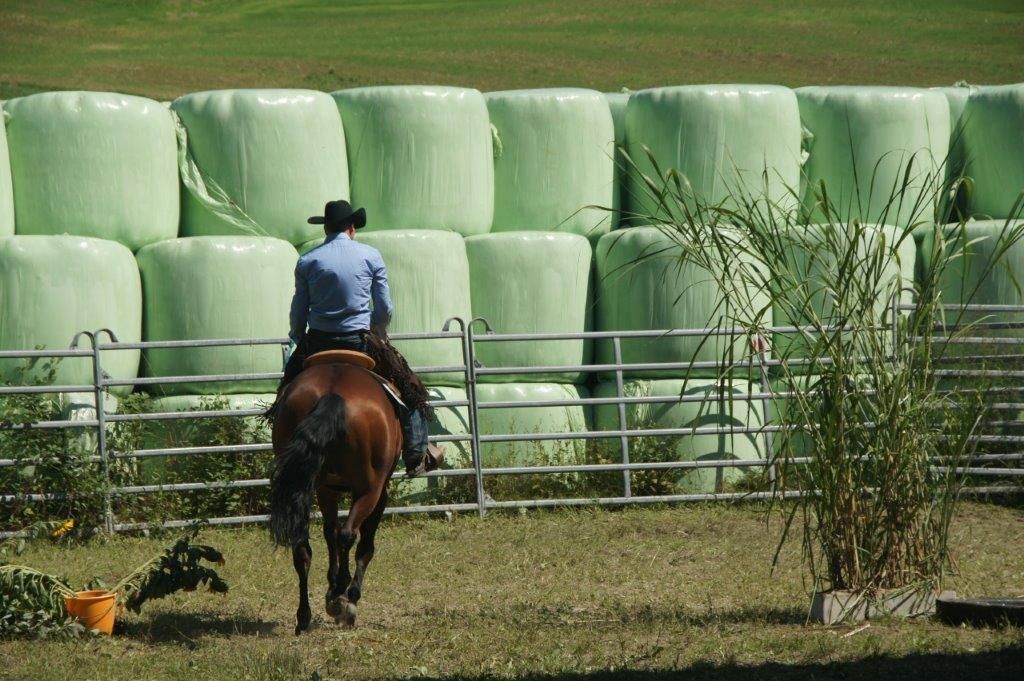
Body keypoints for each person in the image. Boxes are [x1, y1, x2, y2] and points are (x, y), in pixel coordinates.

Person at [275, 199, 443, 477]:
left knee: (285, 392)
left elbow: (298, 311)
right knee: (410, 389)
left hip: (317, 340)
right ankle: (416, 454)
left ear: (326, 229)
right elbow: (385, 306)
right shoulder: (371, 256)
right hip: (360, 339)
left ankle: (281, 447)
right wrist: (379, 329)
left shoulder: (307, 261)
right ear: (351, 228)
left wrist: (297, 336)